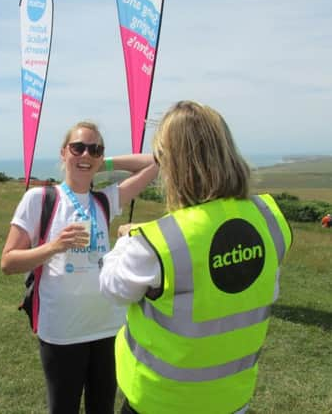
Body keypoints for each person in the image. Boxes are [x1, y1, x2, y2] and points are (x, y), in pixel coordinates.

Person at [99, 101, 293, 414]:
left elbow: (112, 287)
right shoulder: (269, 219)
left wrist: (128, 240)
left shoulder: (155, 244)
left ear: (173, 165)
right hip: (232, 398)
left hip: (159, 402)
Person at [1, 121, 158, 414]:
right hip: (62, 332)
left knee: (102, 409)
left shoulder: (104, 200)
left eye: (94, 149)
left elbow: (156, 163)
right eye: (78, 148)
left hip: (108, 327)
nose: (85, 154)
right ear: (63, 153)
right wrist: (54, 246)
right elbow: (8, 262)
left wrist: (100, 163)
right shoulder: (40, 199)